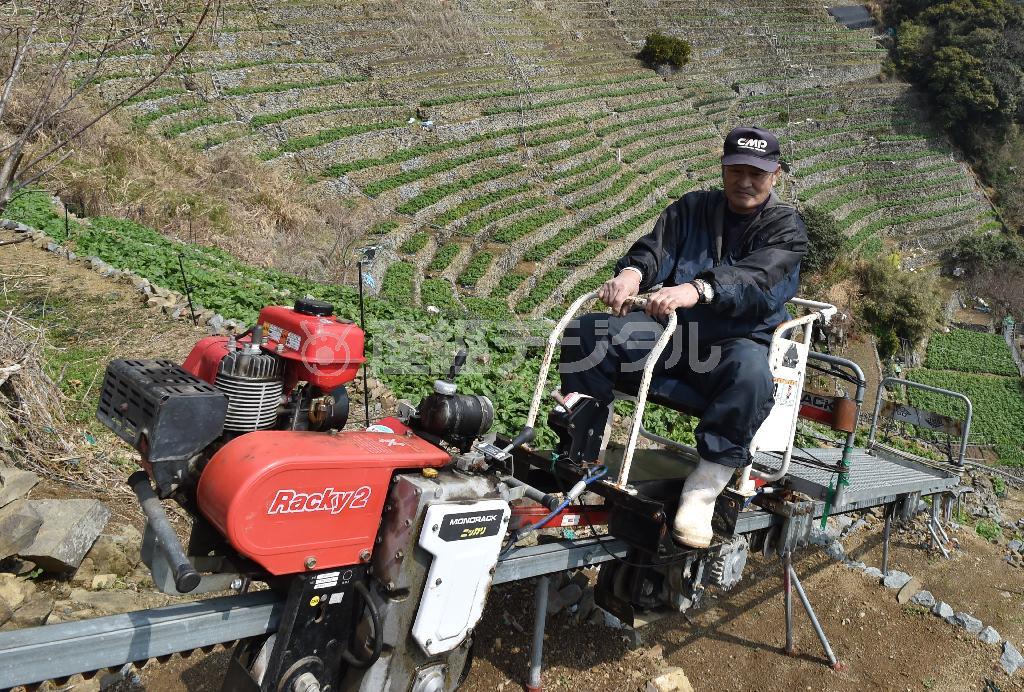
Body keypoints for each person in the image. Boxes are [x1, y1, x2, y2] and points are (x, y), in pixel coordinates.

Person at [558, 126, 807, 549]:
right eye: (737, 171)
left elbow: (759, 278)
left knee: (752, 378)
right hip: (672, 335)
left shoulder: (785, 227)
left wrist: (699, 288)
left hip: (734, 343)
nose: (745, 181)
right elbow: (656, 250)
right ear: (723, 169)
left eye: (757, 173)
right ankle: (584, 444)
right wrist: (632, 274)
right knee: (589, 332)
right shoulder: (692, 208)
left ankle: (703, 490)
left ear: (775, 175)